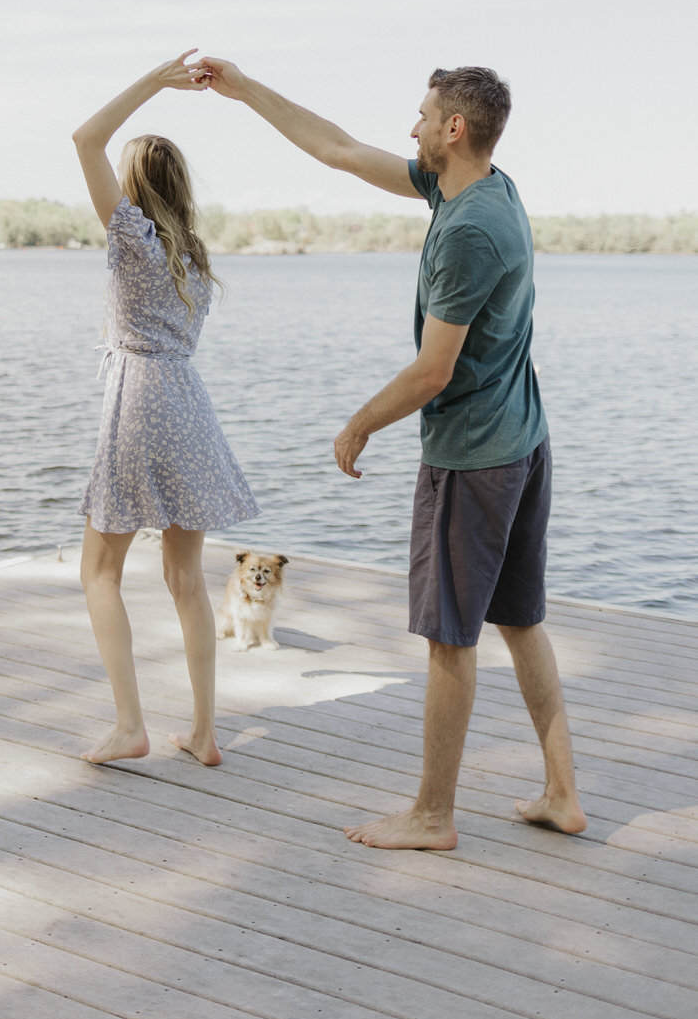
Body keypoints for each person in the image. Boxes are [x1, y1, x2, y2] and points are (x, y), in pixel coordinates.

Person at [194, 56, 586, 849]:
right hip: (522, 441)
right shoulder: (483, 186)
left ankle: (432, 815)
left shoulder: (470, 230)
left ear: (453, 128)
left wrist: (357, 424)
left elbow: (433, 369)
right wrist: (244, 89)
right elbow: (337, 148)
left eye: (420, 116)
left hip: (473, 458)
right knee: (519, 621)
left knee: (449, 638)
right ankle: (561, 795)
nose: (408, 129)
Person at [72, 51, 259, 767]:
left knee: (99, 572)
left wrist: (153, 80)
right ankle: (205, 733)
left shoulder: (131, 239)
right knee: (186, 579)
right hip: (188, 403)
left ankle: (130, 726)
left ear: (132, 187)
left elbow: (82, 139)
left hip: (138, 400)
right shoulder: (192, 258)